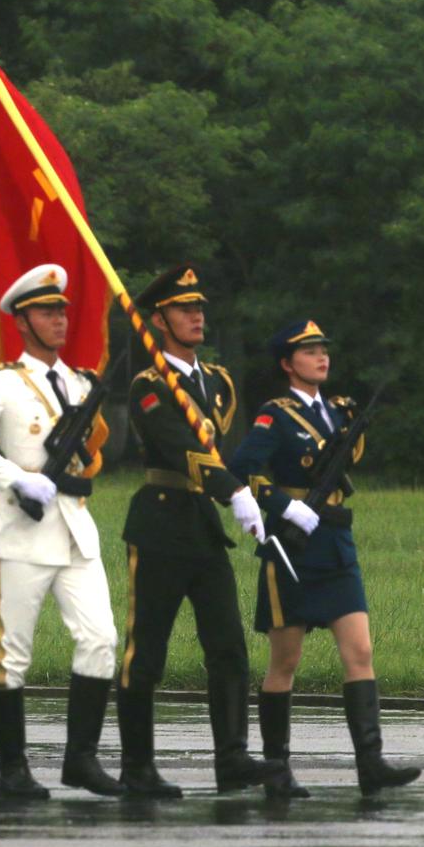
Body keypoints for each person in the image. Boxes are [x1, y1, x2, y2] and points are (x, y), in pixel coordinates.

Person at [0, 264, 121, 799]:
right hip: (22, 529)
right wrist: (17, 477)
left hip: (74, 527)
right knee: (11, 653)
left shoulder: (80, 382)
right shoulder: (1, 380)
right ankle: (12, 770)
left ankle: (81, 760)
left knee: (101, 640)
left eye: (62, 310)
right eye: (47, 312)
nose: (60, 319)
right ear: (23, 322)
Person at [229, 319, 420, 798]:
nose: (321, 357)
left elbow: (344, 462)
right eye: (309, 351)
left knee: (360, 652)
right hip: (293, 545)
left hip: (334, 542)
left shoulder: (338, 412)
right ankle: (277, 768)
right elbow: (241, 469)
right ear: (287, 363)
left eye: (323, 349)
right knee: (285, 661)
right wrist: (281, 505)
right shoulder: (276, 414)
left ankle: (371, 763)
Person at [116, 264, 283, 798]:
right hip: (161, 524)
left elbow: (221, 448)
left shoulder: (218, 382)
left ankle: (232, 757)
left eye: (200, 308)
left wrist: (247, 490)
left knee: (228, 647)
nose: (196, 316)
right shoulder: (147, 385)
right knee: (147, 653)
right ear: (159, 319)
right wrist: (231, 491)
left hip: (204, 529)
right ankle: (137, 766)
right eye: (185, 309)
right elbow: (177, 447)